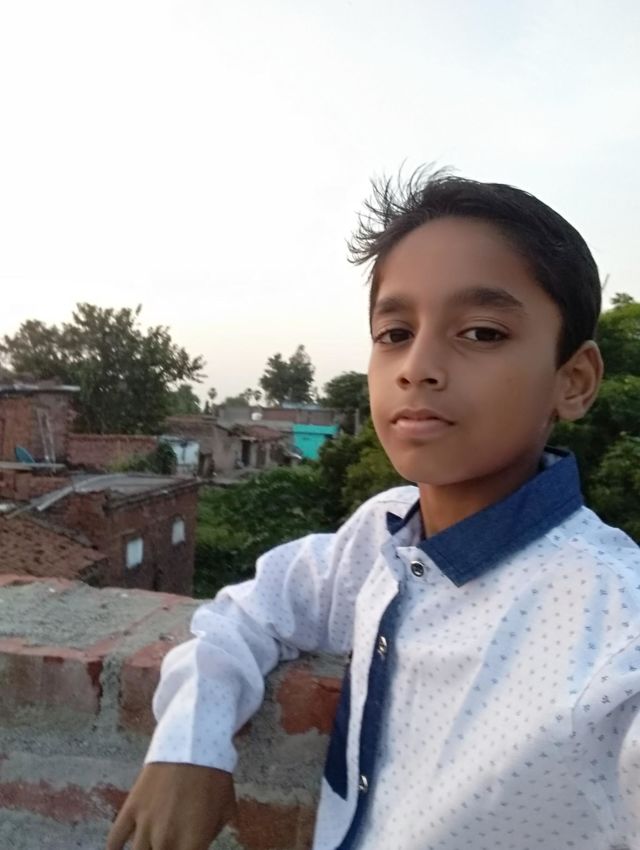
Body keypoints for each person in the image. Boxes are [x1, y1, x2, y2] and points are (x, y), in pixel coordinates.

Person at [107, 169, 640, 850]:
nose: (417, 366)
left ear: (574, 380)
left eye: (481, 332)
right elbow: (252, 609)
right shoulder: (386, 537)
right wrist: (192, 745)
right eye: (394, 332)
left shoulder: (614, 635)